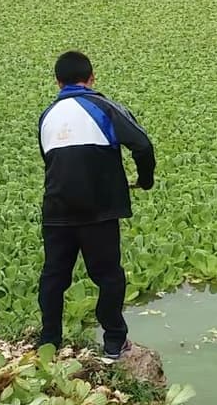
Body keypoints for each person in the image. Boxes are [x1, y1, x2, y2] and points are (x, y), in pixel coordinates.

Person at [37, 51, 155, 359]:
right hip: (98, 209)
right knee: (108, 276)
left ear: (57, 82)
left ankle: (48, 342)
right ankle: (114, 341)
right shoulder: (103, 107)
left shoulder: (47, 115)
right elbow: (142, 144)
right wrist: (145, 180)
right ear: (91, 79)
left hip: (56, 209)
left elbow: (50, 160)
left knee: (54, 277)